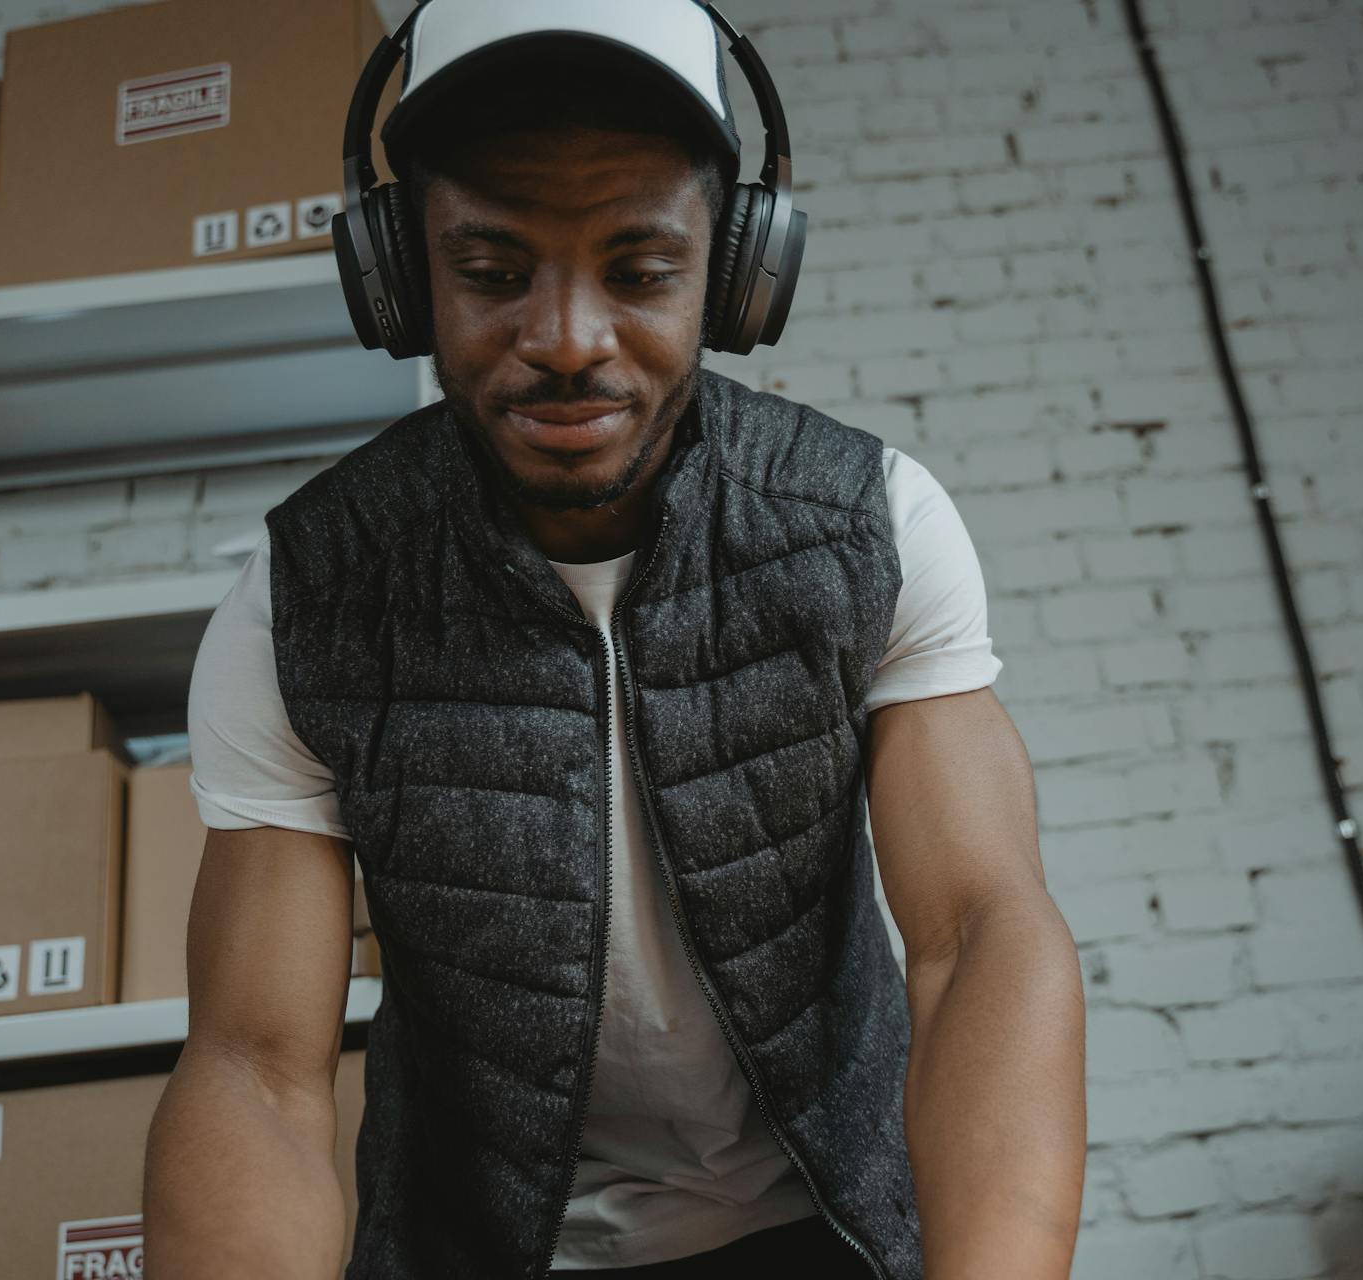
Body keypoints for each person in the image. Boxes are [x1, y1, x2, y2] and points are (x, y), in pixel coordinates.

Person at [143, 2, 1084, 1277]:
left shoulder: (869, 524)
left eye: (639, 271)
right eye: (490, 273)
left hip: (838, 1225)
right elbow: (257, 1067)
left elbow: (979, 931)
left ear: (738, 270)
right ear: (404, 275)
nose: (568, 339)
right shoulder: (308, 597)